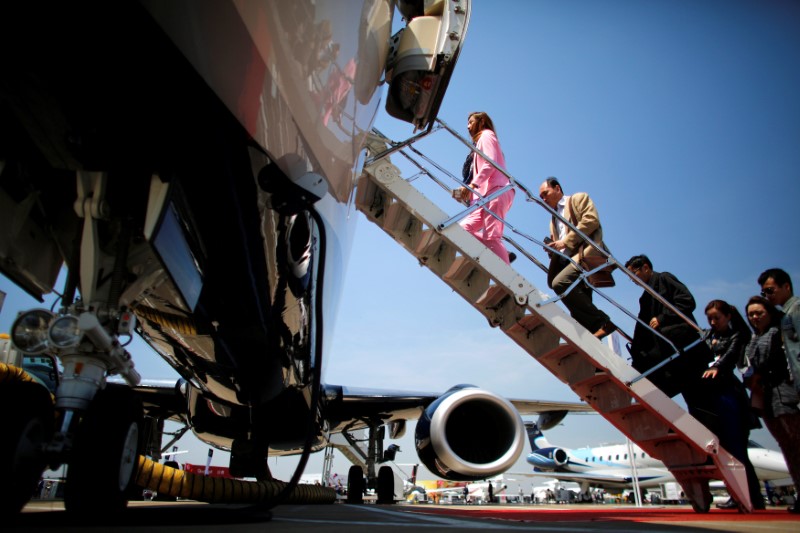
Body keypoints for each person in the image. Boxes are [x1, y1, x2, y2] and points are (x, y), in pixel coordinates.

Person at [625, 255, 715, 423]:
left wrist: (662, 318)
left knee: (699, 400)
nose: (634, 280)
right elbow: (642, 327)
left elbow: (686, 301)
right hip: (669, 355)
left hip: (685, 350)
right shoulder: (645, 297)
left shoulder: (664, 279)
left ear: (646, 268)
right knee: (661, 393)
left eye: (634, 274)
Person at [702, 300, 764, 509]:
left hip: (729, 394)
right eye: (709, 318)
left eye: (716, 318)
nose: (712, 322)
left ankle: (751, 496)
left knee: (737, 450)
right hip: (713, 394)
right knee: (725, 451)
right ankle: (739, 493)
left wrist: (718, 366)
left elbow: (730, 355)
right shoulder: (708, 336)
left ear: (728, 317)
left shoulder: (736, 335)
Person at [742, 296, 800, 514]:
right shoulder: (756, 337)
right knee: (786, 445)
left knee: (795, 442)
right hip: (765, 396)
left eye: (759, 313)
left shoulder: (778, 333)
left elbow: (764, 360)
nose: (755, 317)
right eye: (751, 314)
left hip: (783, 392)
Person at [539, 177, 614, 338]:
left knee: (560, 283)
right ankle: (590, 334)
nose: (543, 199)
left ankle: (602, 323)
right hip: (569, 261)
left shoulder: (578, 199)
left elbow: (591, 221)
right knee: (578, 300)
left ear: (557, 189)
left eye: (545, 193)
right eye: (541, 197)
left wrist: (564, 242)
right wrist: (554, 249)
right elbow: (562, 245)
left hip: (586, 255)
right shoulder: (553, 220)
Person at [454, 112, 515, 264]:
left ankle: (506, 275)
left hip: (497, 190)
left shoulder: (487, 135)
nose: (468, 127)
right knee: (461, 231)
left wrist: (473, 185)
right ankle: (501, 252)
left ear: (481, 122)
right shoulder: (479, 143)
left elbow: (490, 163)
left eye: (470, 122)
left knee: (492, 237)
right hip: (485, 196)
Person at [757, 268, 800, 392]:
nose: (767, 296)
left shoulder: (796, 309)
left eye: (770, 290)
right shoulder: (784, 315)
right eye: (764, 293)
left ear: (786, 286)